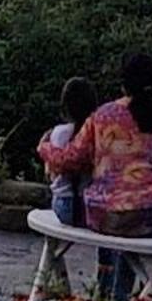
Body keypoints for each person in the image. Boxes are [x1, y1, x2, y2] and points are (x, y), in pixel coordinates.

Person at [36, 52, 152, 297]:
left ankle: (117, 299)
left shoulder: (102, 116)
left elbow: (71, 159)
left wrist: (45, 148)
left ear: (123, 85)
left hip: (101, 215)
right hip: (149, 216)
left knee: (124, 238)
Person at [41, 76, 98, 227]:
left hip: (64, 205)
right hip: (91, 207)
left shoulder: (57, 133)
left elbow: (50, 173)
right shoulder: (98, 134)